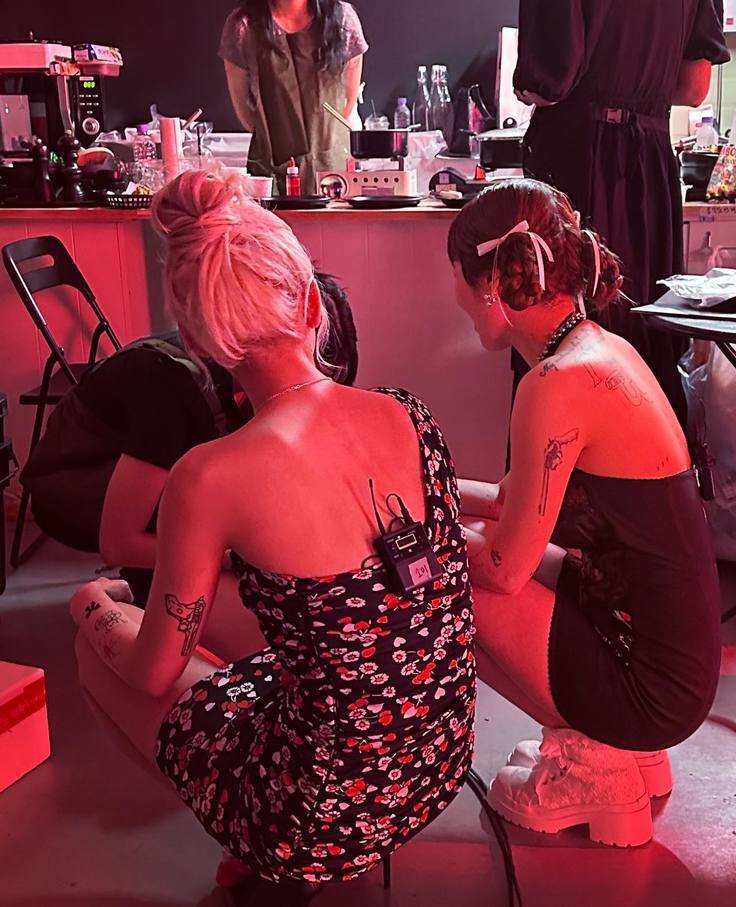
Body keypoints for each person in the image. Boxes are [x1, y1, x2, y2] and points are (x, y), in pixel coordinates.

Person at [70, 169, 475, 897]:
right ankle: (289, 836)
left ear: (199, 342)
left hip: (318, 816)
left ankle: (263, 844)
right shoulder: (407, 413)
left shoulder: (208, 476)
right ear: (314, 302)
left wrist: (94, 609)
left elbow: (153, 673)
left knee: (98, 651)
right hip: (439, 762)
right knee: (293, 656)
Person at [447, 180, 721, 847]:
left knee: (436, 583)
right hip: (671, 661)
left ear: (492, 283)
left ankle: (598, 757)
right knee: (465, 540)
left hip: (652, 686)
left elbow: (505, 569)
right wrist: (429, 491)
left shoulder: (555, 384)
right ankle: (618, 749)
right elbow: (512, 504)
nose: (454, 297)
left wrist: (407, 534)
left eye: (456, 277)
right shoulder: (597, 349)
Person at [21, 274, 358, 607]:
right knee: (214, 518)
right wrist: (238, 560)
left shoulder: (245, 370)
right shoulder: (172, 389)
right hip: (73, 488)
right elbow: (119, 542)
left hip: (149, 463)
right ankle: (137, 599)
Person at [512, 0, 730, 420]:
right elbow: (693, 87)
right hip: (650, 166)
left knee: (563, 345)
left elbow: (550, 81)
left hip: (579, 162)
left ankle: (560, 462)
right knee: (645, 338)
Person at [220, 0, 368, 194]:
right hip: (272, 171)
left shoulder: (342, 20)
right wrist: (275, 137)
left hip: (333, 170)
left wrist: (323, 142)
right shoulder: (243, 26)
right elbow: (244, 107)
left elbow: (349, 101)